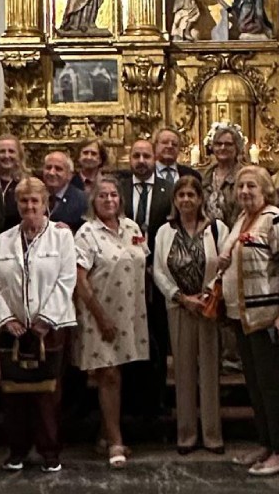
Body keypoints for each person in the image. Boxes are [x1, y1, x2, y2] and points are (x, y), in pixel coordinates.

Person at [0, 177, 77, 473]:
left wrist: (46, 320)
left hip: (51, 328)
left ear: (45, 203)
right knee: (14, 394)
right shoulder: (4, 239)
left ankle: (50, 451)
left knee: (48, 394)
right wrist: (6, 319)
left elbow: (66, 280)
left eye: (34, 201)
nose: (29, 206)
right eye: (23, 201)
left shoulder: (62, 238)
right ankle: (17, 451)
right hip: (14, 329)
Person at [219, 166, 279, 476]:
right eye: (240, 187)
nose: (244, 192)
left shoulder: (276, 219)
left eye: (251, 186)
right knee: (253, 384)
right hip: (241, 315)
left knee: (269, 385)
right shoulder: (240, 220)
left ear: (265, 189)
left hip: (265, 316)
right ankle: (266, 443)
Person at [72, 176, 151, 468]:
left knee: (118, 374)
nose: (109, 200)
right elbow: (80, 280)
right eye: (103, 196)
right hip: (98, 314)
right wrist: (100, 315)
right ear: (94, 201)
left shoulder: (131, 227)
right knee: (108, 376)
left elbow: (143, 262)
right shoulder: (87, 233)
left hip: (129, 313)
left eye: (113, 195)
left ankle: (104, 435)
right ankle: (116, 441)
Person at [153, 176, 228, 455]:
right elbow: (158, 270)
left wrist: (207, 295)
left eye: (191, 195)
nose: (186, 200)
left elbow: (224, 263)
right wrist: (181, 298)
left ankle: (212, 433)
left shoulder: (217, 229)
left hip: (208, 306)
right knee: (183, 371)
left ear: (200, 199)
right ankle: (186, 434)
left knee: (210, 370)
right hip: (180, 306)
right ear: (175, 200)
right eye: (181, 195)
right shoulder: (164, 231)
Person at [118, 139, 174, 417]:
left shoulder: (169, 190)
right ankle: (130, 401)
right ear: (130, 158)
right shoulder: (119, 190)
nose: (141, 160)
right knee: (129, 335)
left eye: (146, 156)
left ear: (155, 159)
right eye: (136, 155)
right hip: (125, 275)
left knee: (158, 338)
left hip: (157, 275)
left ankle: (158, 400)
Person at [203, 123, 245, 227]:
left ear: (237, 147)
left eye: (228, 144)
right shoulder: (206, 176)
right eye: (218, 144)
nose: (223, 147)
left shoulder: (244, 175)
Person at [0, 134, 29, 231]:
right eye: (2, 151)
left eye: (11, 151)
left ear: (19, 155)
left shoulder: (26, 184)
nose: (7, 156)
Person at [43, 151, 88, 233]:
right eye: (48, 167)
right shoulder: (34, 194)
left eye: (58, 169)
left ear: (69, 175)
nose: (52, 172)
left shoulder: (82, 200)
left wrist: (71, 232)